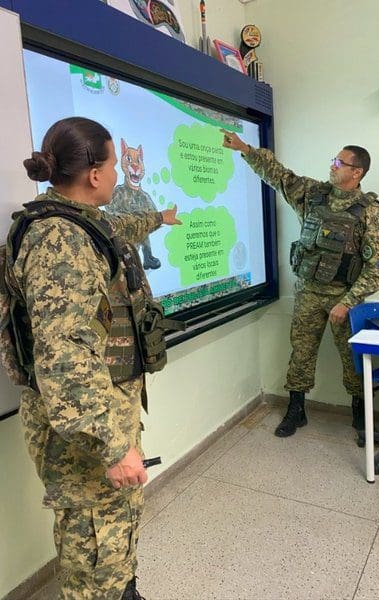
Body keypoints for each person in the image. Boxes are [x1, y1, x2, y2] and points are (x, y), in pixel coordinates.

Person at [12, 117, 181, 599]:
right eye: (113, 166)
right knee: (93, 543)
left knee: (115, 525)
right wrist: (112, 444)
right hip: (85, 428)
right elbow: (63, 354)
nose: (116, 175)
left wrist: (159, 218)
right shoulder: (59, 241)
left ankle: (123, 589)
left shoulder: (85, 222)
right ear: (94, 174)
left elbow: (122, 227)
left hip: (104, 409)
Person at [221, 130, 379, 438]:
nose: (332, 165)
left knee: (352, 358)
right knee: (301, 353)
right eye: (334, 160)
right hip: (308, 292)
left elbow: (376, 269)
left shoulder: (370, 212)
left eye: (339, 162)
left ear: (357, 172)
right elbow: (279, 175)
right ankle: (296, 410)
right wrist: (246, 149)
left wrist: (347, 303)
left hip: (344, 298)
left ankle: (360, 413)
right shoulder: (312, 194)